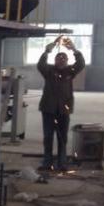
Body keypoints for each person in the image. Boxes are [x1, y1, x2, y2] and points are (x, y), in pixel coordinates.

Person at [37, 37, 85, 174]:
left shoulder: (70, 71)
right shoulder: (49, 71)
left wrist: (74, 50)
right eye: (59, 58)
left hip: (64, 110)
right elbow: (40, 65)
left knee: (62, 138)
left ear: (67, 61)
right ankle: (47, 162)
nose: (61, 60)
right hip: (48, 109)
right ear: (55, 60)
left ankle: (62, 163)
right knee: (48, 137)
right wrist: (47, 51)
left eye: (64, 58)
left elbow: (81, 64)